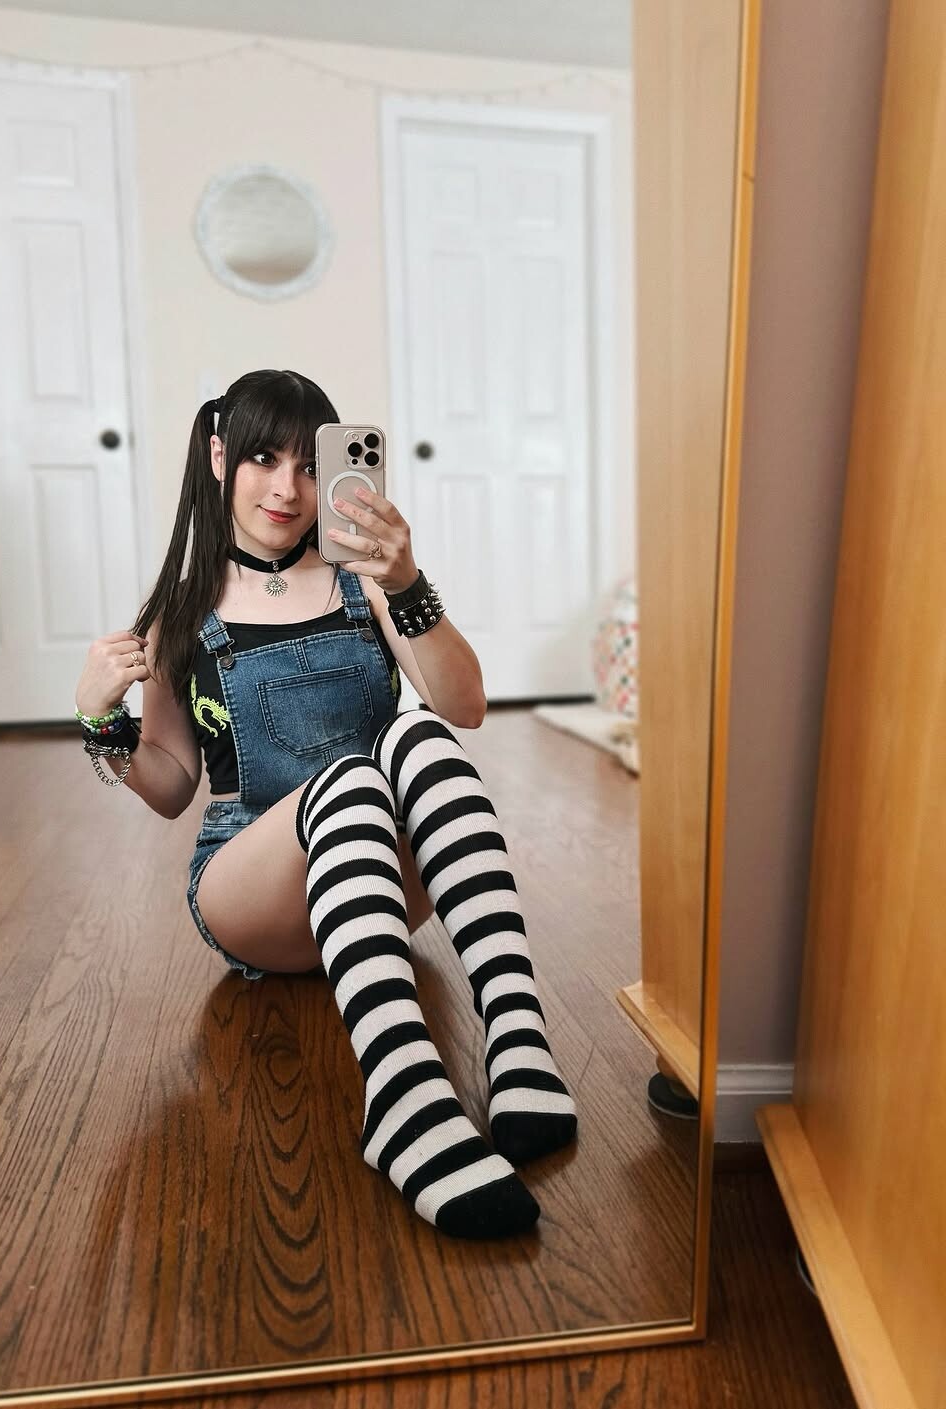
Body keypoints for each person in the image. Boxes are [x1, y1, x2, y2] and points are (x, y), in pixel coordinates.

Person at [74, 369, 576, 1241]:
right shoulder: (181, 616)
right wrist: (97, 720)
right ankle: (404, 1102)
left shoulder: (365, 582)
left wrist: (408, 580)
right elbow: (171, 785)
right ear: (220, 457)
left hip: (382, 886)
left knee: (419, 737)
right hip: (256, 894)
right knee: (348, 777)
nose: (289, 488)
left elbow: (464, 707)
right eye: (264, 459)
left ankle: (518, 1035)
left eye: (311, 465)